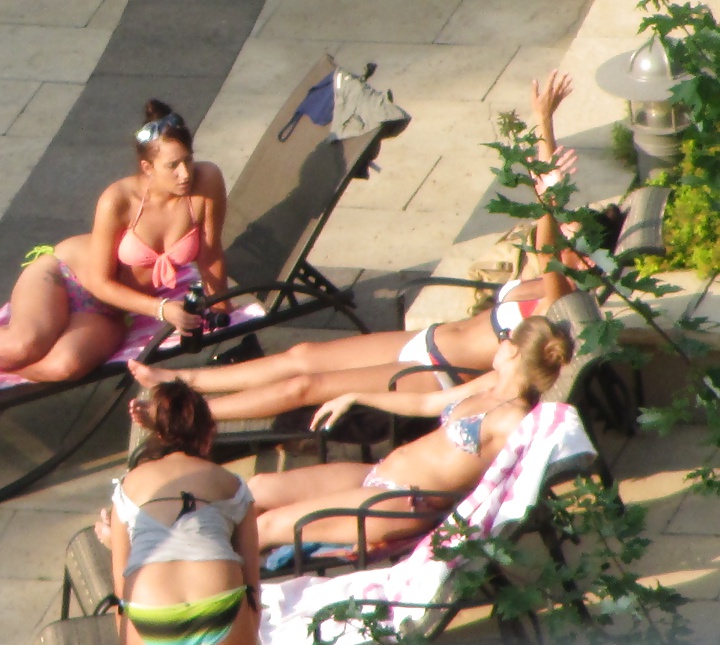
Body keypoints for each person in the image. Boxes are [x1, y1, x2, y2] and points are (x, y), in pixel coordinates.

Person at [127, 71, 620, 421]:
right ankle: (182, 383)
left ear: (585, 259)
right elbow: (546, 234)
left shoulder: (561, 295)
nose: (568, 237)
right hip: (426, 342)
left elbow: (547, 235)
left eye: (578, 239)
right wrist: (544, 124)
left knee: (306, 386)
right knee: (300, 354)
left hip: (439, 374)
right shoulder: (547, 279)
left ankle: (189, 414)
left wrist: (552, 202)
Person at [0, 100, 230, 382]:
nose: (185, 174)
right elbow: (102, 280)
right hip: (65, 277)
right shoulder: (118, 200)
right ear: (147, 168)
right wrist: (160, 309)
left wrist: (222, 308)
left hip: (112, 308)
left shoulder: (207, 181)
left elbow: (210, 253)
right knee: (24, 344)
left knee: (62, 367)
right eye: (173, 166)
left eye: (188, 160)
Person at [247, 315, 572, 549]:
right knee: (255, 491)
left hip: (402, 503)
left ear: (514, 352)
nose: (500, 343)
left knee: (265, 527)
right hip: (377, 475)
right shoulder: (490, 384)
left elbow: (496, 491)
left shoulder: (513, 419)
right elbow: (428, 402)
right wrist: (356, 397)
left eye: (507, 339)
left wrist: (419, 537)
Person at [107, 380, 261, 645]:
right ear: (208, 434)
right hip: (219, 605)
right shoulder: (232, 485)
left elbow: (120, 588)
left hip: (149, 615)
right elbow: (252, 583)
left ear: (155, 435)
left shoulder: (128, 486)